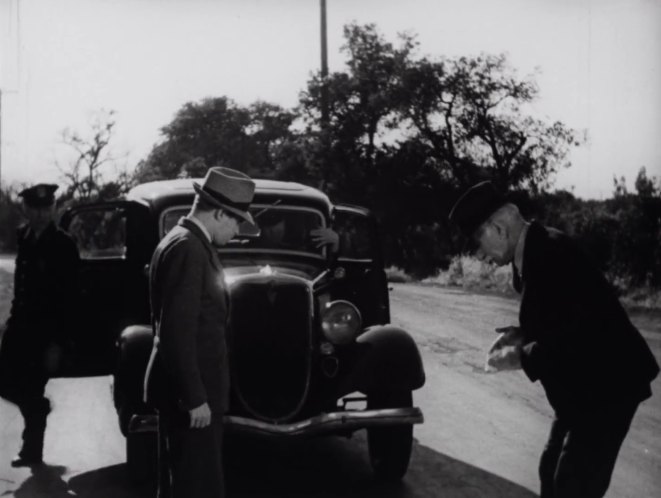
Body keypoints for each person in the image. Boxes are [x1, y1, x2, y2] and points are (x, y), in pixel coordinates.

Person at [449, 181, 659, 498]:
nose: (480, 255)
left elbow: (584, 333)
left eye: (478, 243)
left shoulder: (550, 253)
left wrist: (521, 357)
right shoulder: (533, 251)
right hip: (583, 389)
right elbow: (562, 317)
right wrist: (522, 334)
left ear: (499, 228)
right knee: (552, 471)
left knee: (573, 485)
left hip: (607, 388)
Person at [143, 167, 256, 498]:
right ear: (219, 212)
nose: (237, 231)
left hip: (190, 395)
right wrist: (195, 398)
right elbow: (177, 332)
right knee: (198, 488)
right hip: (192, 401)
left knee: (183, 485)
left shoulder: (181, 241)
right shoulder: (190, 249)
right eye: (236, 221)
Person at [0, 183, 80, 467]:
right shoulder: (23, 236)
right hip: (19, 325)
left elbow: (70, 297)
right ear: (26, 209)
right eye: (36, 208)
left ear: (54, 208)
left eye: (47, 208)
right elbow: (22, 284)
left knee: (31, 388)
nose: (42, 214)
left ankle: (31, 451)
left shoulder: (63, 244)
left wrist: (59, 342)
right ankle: (39, 409)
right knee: (6, 382)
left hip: (46, 333)